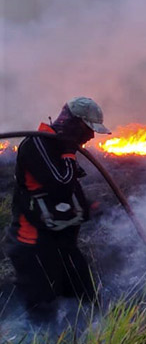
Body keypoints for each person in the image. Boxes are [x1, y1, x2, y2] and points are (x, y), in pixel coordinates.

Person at [3, 97, 111, 323]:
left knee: (87, 297)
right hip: (34, 245)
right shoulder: (37, 145)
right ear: (74, 123)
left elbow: (70, 188)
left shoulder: (58, 146)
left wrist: (90, 206)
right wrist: (69, 151)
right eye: (89, 129)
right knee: (43, 313)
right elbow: (61, 185)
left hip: (61, 242)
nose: (91, 136)